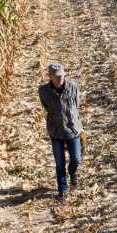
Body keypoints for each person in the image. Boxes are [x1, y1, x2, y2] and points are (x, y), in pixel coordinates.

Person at [38, 63, 83, 201]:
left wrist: (71, 119)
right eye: (57, 77)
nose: (60, 79)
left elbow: (77, 104)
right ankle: (62, 190)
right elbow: (46, 106)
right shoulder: (43, 91)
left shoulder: (73, 86)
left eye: (62, 76)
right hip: (56, 131)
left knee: (76, 158)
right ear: (50, 77)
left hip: (72, 129)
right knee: (59, 162)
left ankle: (73, 172)